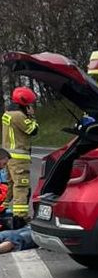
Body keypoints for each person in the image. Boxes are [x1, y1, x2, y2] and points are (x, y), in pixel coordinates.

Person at [2, 87, 38, 226]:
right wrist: (32, 116)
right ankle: (20, 219)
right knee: (21, 188)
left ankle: (3, 208)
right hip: (19, 158)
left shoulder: (7, 114)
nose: (30, 107)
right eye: (29, 105)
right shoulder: (18, 115)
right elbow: (33, 130)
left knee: (10, 186)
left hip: (9, 157)